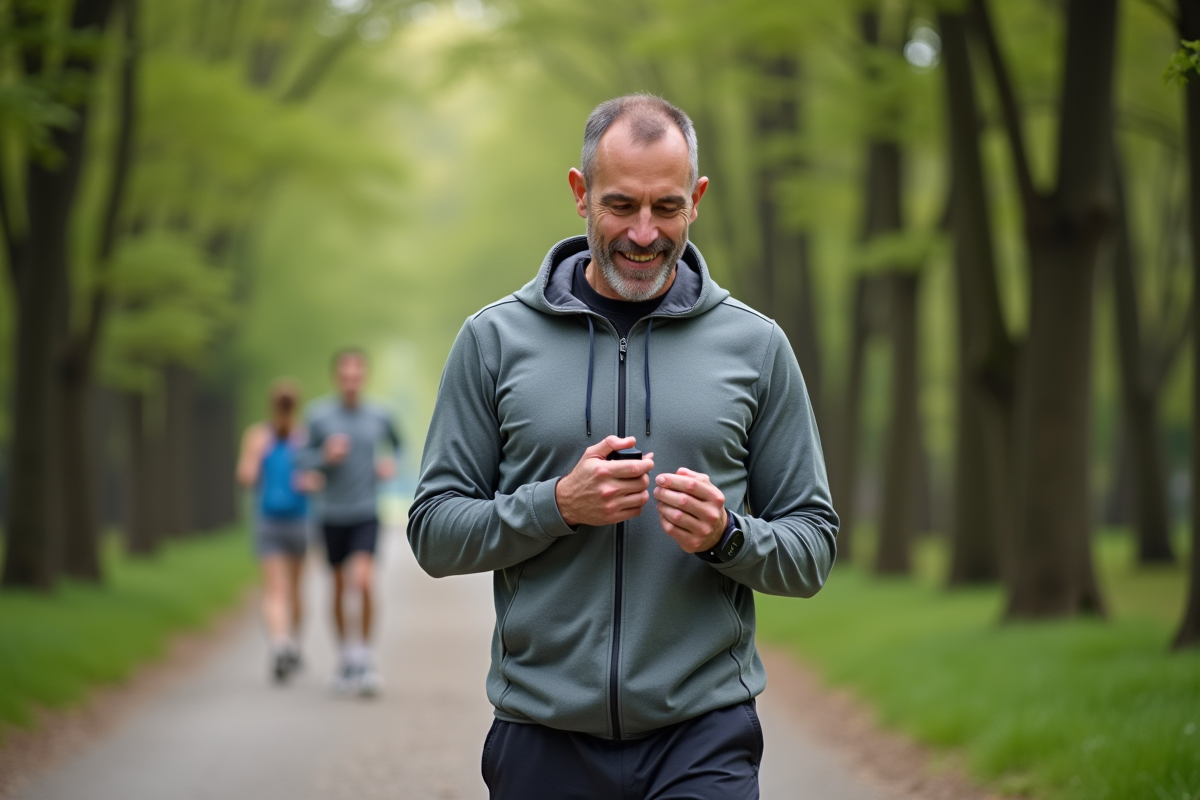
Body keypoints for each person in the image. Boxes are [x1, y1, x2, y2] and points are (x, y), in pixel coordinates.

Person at [407, 94, 839, 799]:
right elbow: (433, 533)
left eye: (666, 208)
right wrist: (556, 506)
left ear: (697, 200)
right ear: (580, 194)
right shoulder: (493, 341)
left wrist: (729, 536)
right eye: (621, 206)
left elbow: (813, 547)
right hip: (542, 735)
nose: (644, 233)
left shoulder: (756, 347)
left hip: (704, 733)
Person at [305, 348, 402, 696]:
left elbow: (399, 444)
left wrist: (392, 464)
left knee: (361, 581)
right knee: (336, 586)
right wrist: (323, 457)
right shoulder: (318, 416)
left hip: (365, 511)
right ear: (336, 378)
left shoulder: (379, 415)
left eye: (356, 376)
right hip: (331, 513)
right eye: (345, 377)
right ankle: (345, 658)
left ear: (364, 377)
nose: (351, 382)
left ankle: (364, 657)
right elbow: (302, 459)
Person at [236, 378, 320, 684]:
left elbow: (245, 477)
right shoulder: (305, 437)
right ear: (296, 405)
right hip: (297, 521)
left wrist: (260, 464)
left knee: (276, 590)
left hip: (271, 521)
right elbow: (317, 478)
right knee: (293, 590)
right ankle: (289, 645)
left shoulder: (258, 437)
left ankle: (281, 644)